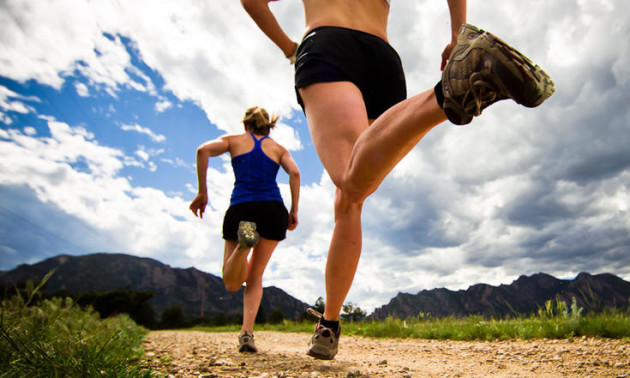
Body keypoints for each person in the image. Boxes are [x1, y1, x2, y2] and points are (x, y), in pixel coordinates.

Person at [241, 0, 554, 360]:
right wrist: (457, 35)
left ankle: (444, 96)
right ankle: (329, 324)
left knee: (350, 181)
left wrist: (289, 48)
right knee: (350, 201)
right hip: (384, 59)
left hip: (327, 45)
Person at [189, 106, 300, 353]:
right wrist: (294, 210)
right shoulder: (279, 149)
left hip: (242, 208)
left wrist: (202, 192)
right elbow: (294, 172)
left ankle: (242, 247)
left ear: (245, 125)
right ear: (268, 126)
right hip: (273, 210)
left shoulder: (233, 140)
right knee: (255, 276)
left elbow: (202, 150)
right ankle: (247, 333)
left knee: (231, 283)